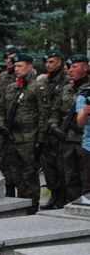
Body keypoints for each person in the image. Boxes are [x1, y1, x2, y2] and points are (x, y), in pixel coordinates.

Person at [0, 53, 47, 214]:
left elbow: (43, 115)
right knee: (15, 174)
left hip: (29, 138)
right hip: (12, 138)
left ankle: (32, 207)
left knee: (29, 175)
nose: (16, 69)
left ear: (30, 67)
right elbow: (0, 109)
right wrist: (1, 124)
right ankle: (19, 206)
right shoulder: (11, 88)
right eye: (16, 66)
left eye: (20, 66)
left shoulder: (37, 87)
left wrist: (40, 140)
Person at [48, 54, 89, 205]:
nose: (70, 71)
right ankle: (74, 207)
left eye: (74, 67)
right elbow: (54, 111)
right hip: (66, 140)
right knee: (69, 178)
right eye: (69, 67)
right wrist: (54, 126)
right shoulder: (66, 89)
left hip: (83, 141)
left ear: (85, 68)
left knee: (86, 177)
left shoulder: (88, 88)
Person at [40, 49, 69, 209]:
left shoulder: (67, 80)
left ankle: (63, 199)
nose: (48, 65)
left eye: (51, 62)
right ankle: (53, 196)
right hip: (45, 130)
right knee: (48, 167)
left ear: (59, 62)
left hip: (60, 130)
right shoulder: (44, 81)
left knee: (62, 167)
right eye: (47, 62)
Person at [77, 76, 90, 194]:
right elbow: (80, 123)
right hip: (89, 147)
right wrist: (85, 112)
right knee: (88, 188)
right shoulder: (85, 95)